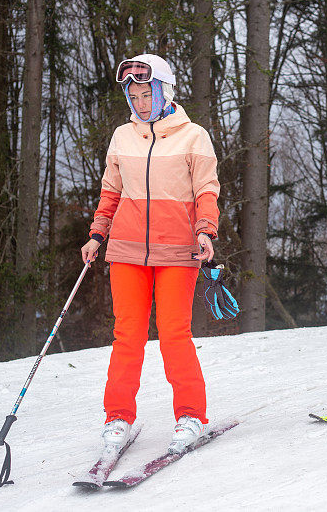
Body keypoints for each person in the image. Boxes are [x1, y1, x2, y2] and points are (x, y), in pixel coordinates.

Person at [80, 53, 220, 453]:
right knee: (128, 335)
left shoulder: (193, 136)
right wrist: (96, 233)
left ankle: (191, 415)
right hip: (125, 251)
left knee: (175, 333)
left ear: (164, 91)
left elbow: (206, 190)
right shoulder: (122, 137)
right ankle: (118, 418)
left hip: (178, 250)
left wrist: (205, 231)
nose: (141, 103)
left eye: (147, 94)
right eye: (135, 96)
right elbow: (111, 191)